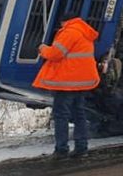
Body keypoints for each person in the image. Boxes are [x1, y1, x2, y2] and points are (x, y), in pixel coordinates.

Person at [33, 12, 100, 159]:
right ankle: (82, 148)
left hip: (67, 82)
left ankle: (61, 149)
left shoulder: (69, 32)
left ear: (64, 22)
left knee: (61, 115)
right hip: (81, 82)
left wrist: (43, 49)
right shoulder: (84, 31)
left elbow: (55, 54)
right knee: (79, 114)